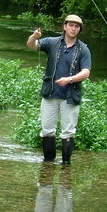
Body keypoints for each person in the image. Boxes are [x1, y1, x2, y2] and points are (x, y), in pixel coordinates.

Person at [26, 14, 91, 165]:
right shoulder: (52, 42)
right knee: (47, 130)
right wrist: (34, 37)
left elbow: (86, 72)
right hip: (50, 94)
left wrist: (69, 79)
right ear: (64, 26)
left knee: (68, 132)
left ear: (79, 29)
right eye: (71, 25)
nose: (73, 28)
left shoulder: (83, 49)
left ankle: (66, 165)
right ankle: (48, 164)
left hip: (70, 96)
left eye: (77, 26)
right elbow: (31, 45)